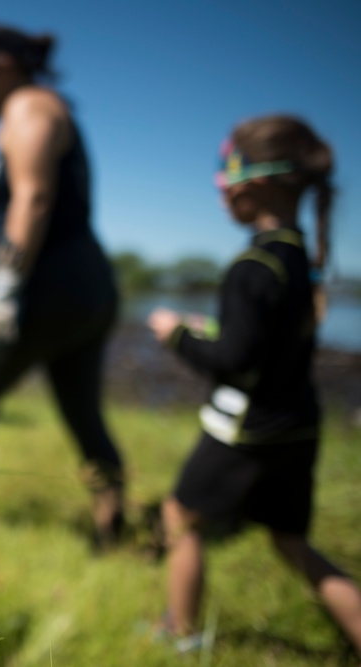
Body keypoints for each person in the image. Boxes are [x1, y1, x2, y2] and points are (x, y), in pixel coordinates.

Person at [147, 115, 361, 655]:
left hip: (247, 431)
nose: (219, 190)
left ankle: (180, 634)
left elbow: (234, 361)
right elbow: (267, 346)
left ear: (255, 182)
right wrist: (213, 331)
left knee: (179, 515)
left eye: (224, 176)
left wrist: (175, 335)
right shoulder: (299, 260)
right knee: (291, 542)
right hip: (298, 427)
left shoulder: (251, 264)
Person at [0, 24, 125, 546]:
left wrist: (5, 281)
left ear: (1, 66)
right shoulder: (48, 106)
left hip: (47, 287)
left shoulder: (27, 107)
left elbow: (33, 197)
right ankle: (111, 527)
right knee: (82, 411)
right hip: (89, 286)